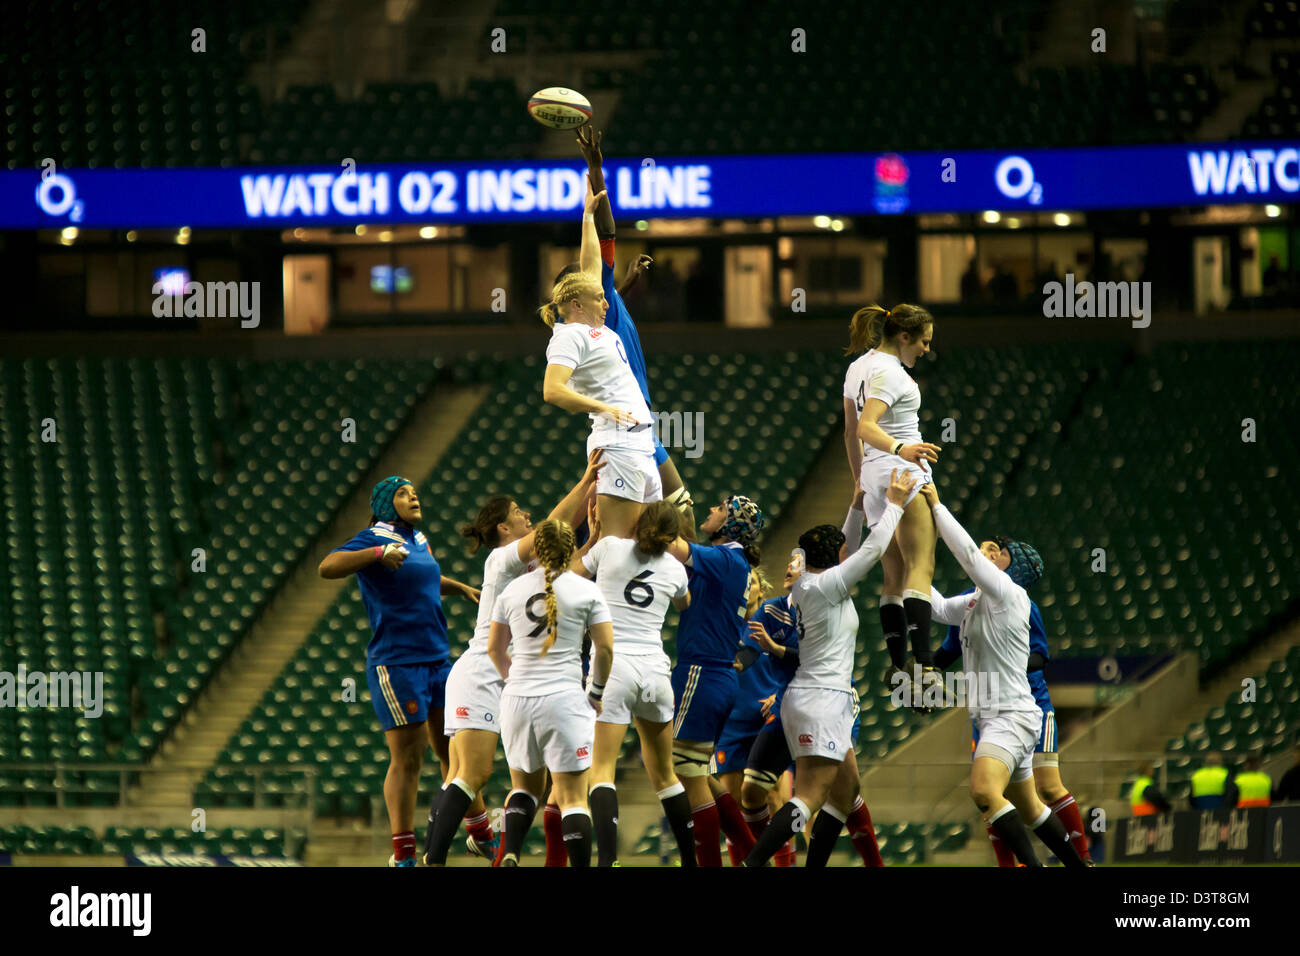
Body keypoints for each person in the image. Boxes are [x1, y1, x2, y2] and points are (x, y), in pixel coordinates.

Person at [421, 453, 603, 867]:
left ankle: (488, 851)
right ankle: (432, 860)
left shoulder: (535, 569)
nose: (527, 516)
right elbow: (552, 528)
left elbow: (568, 568)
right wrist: (586, 478)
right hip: (484, 673)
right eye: (519, 513)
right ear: (504, 527)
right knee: (472, 773)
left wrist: (592, 538)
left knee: (475, 777)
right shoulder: (501, 559)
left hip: (500, 677)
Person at [743, 470, 915, 867]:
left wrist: (855, 506)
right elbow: (869, 553)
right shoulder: (827, 586)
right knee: (809, 798)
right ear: (833, 559)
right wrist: (893, 505)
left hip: (811, 697)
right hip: (823, 699)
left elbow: (847, 547)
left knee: (846, 789)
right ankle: (752, 863)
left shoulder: (808, 583)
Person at [916, 481, 1087, 868]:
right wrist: (904, 562)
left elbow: (967, 555)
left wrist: (938, 508)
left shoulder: (1010, 594)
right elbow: (939, 607)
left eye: (998, 552)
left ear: (1012, 569)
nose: (988, 553)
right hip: (1002, 714)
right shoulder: (978, 600)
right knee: (1030, 807)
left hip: (1009, 716)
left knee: (983, 792)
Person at [317, 476, 481, 866]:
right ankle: (404, 854)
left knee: (455, 749)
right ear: (385, 503)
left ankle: (479, 832)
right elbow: (327, 566)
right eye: (404, 493)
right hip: (398, 662)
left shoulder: (418, 539)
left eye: (414, 491)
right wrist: (376, 555)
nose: (414, 497)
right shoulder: (374, 535)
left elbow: (422, 579)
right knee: (410, 757)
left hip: (438, 658)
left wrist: (460, 588)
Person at [567, 500, 698, 866]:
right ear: (673, 537)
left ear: (639, 522)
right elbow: (685, 603)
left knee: (601, 770)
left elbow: (572, 573)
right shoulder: (675, 569)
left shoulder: (609, 548)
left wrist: (592, 539)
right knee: (665, 774)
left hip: (614, 670)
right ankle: (690, 860)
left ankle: (608, 861)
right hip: (655, 672)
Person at [573, 125, 694, 519]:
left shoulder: (603, 302)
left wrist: (623, 285)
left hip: (639, 425)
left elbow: (606, 315)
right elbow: (606, 228)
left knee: (662, 522)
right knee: (672, 517)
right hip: (627, 429)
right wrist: (595, 168)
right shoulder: (588, 313)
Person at [935, 570, 1093, 865]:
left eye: (997, 551)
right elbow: (947, 645)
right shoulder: (968, 603)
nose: (988, 556)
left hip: (1026, 702)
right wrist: (920, 672)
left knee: (1042, 786)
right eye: (984, 549)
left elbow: (1040, 654)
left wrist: (1006, 665)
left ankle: (1082, 859)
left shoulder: (1018, 600)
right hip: (987, 712)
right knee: (1006, 797)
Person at [487, 519, 614, 868]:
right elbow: (604, 650)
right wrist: (596, 693)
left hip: (516, 701)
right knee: (573, 798)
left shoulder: (511, 590)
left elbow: (495, 649)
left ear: (536, 549)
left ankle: (511, 850)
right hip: (565, 699)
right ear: (571, 548)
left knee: (524, 788)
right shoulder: (586, 591)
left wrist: (514, 680)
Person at [541, 188, 659, 541]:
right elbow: (552, 391)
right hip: (616, 444)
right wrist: (602, 407)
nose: (607, 302)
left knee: (652, 543)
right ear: (577, 303)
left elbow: (591, 262)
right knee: (616, 545)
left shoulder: (594, 327)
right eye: (599, 298)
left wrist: (588, 216)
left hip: (641, 444)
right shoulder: (569, 335)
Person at [844, 304, 942, 700]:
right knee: (921, 566)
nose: (926, 349)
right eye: (924, 341)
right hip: (901, 472)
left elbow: (851, 433)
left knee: (894, 576)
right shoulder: (891, 373)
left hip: (873, 477)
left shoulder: (857, 368)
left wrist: (859, 480)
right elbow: (868, 427)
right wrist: (901, 448)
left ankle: (899, 666)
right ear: (903, 337)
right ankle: (925, 664)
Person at [661, 494, 765, 865]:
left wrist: (650, 510)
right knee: (701, 770)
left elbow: (672, 544)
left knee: (683, 771)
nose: (711, 510)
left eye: (719, 508)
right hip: (717, 676)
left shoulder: (724, 559)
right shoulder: (733, 562)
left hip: (700, 672)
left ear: (730, 523)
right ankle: (752, 854)